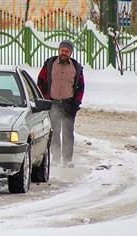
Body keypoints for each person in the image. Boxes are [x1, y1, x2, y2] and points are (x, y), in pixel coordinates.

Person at [37, 39, 85, 168]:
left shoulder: (76, 67)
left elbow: (81, 87)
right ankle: (56, 158)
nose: (64, 53)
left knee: (68, 132)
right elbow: (40, 82)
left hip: (69, 104)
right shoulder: (50, 64)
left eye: (67, 51)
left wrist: (76, 103)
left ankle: (67, 159)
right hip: (53, 104)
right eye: (62, 50)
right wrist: (45, 99)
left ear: (71, 53)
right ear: (59, 50)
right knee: (55, 132)